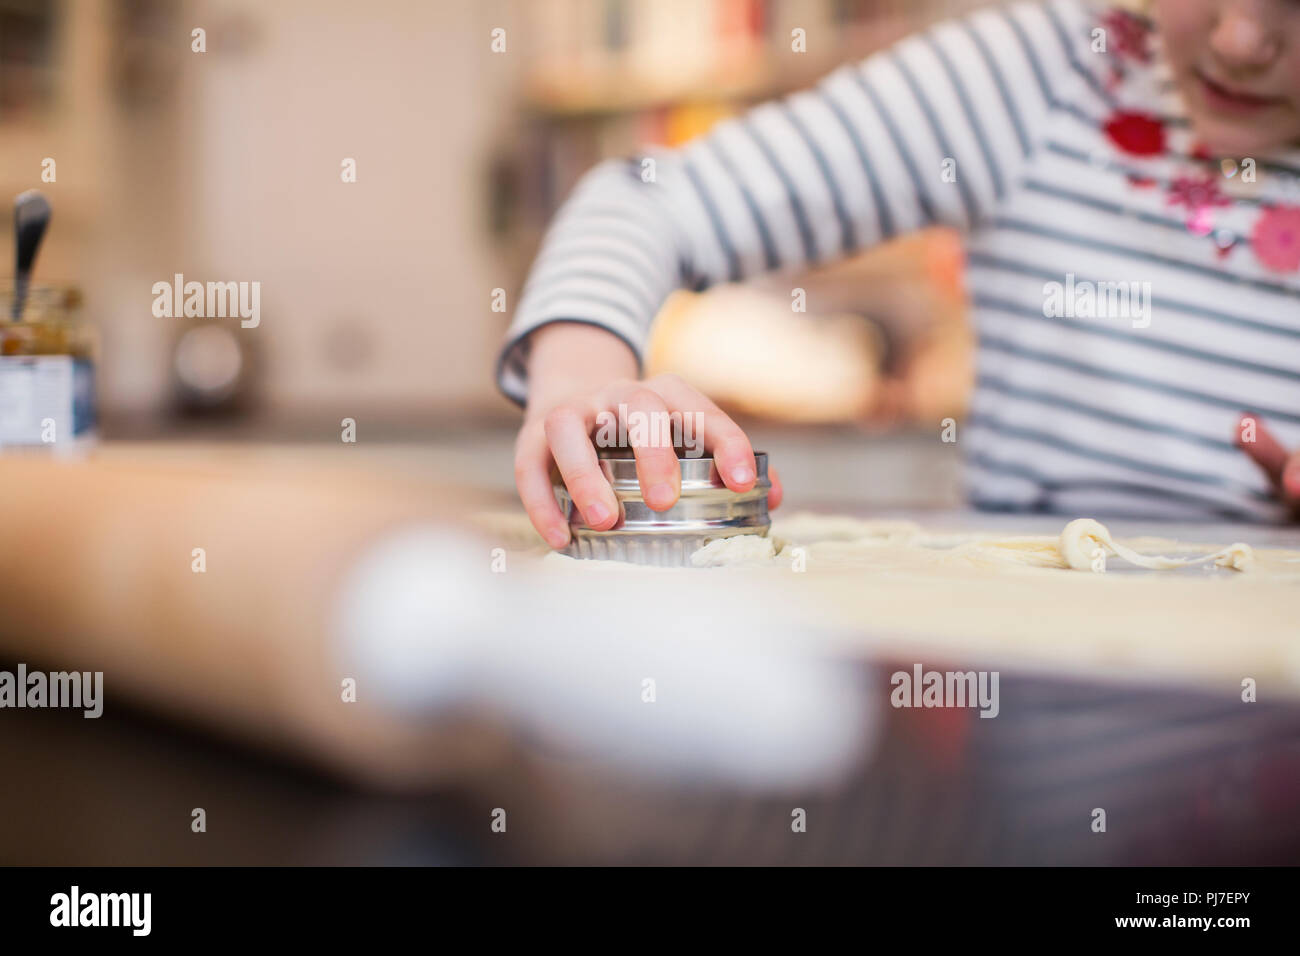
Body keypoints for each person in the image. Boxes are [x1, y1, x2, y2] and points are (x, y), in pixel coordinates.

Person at [498, 0, 1300, 547]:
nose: (1239, 39)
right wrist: (579, 385)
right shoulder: (1048, 70)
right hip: (1031, 679)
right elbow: (643, 202)